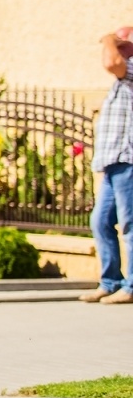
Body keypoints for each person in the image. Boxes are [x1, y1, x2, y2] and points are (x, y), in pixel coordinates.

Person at [83, 26, 133, 304]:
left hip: (129, 161)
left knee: (130, 225)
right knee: (100, 222)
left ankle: (131, 286)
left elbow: (111, 61)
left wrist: (107, 38)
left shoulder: (130, 71)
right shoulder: (122, 80)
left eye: (122, 44)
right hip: (114, 163)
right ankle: (110, 281)